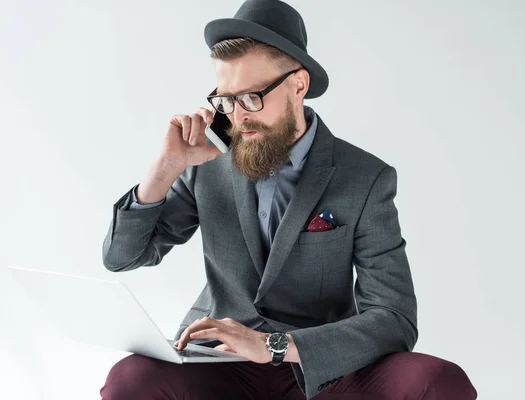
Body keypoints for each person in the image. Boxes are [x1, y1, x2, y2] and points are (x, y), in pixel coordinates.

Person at [100, 1, 477, 399]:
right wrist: (165, 169)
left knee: (440, 381)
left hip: (318, 370)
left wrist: (274, 347)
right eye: (227, 99)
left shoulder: (365, 178)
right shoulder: (206, 163)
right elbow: (121, 257)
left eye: (251, 97)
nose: (237, 117)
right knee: (129, 379)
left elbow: (394, 318)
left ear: (298, 85)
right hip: (221, 366)